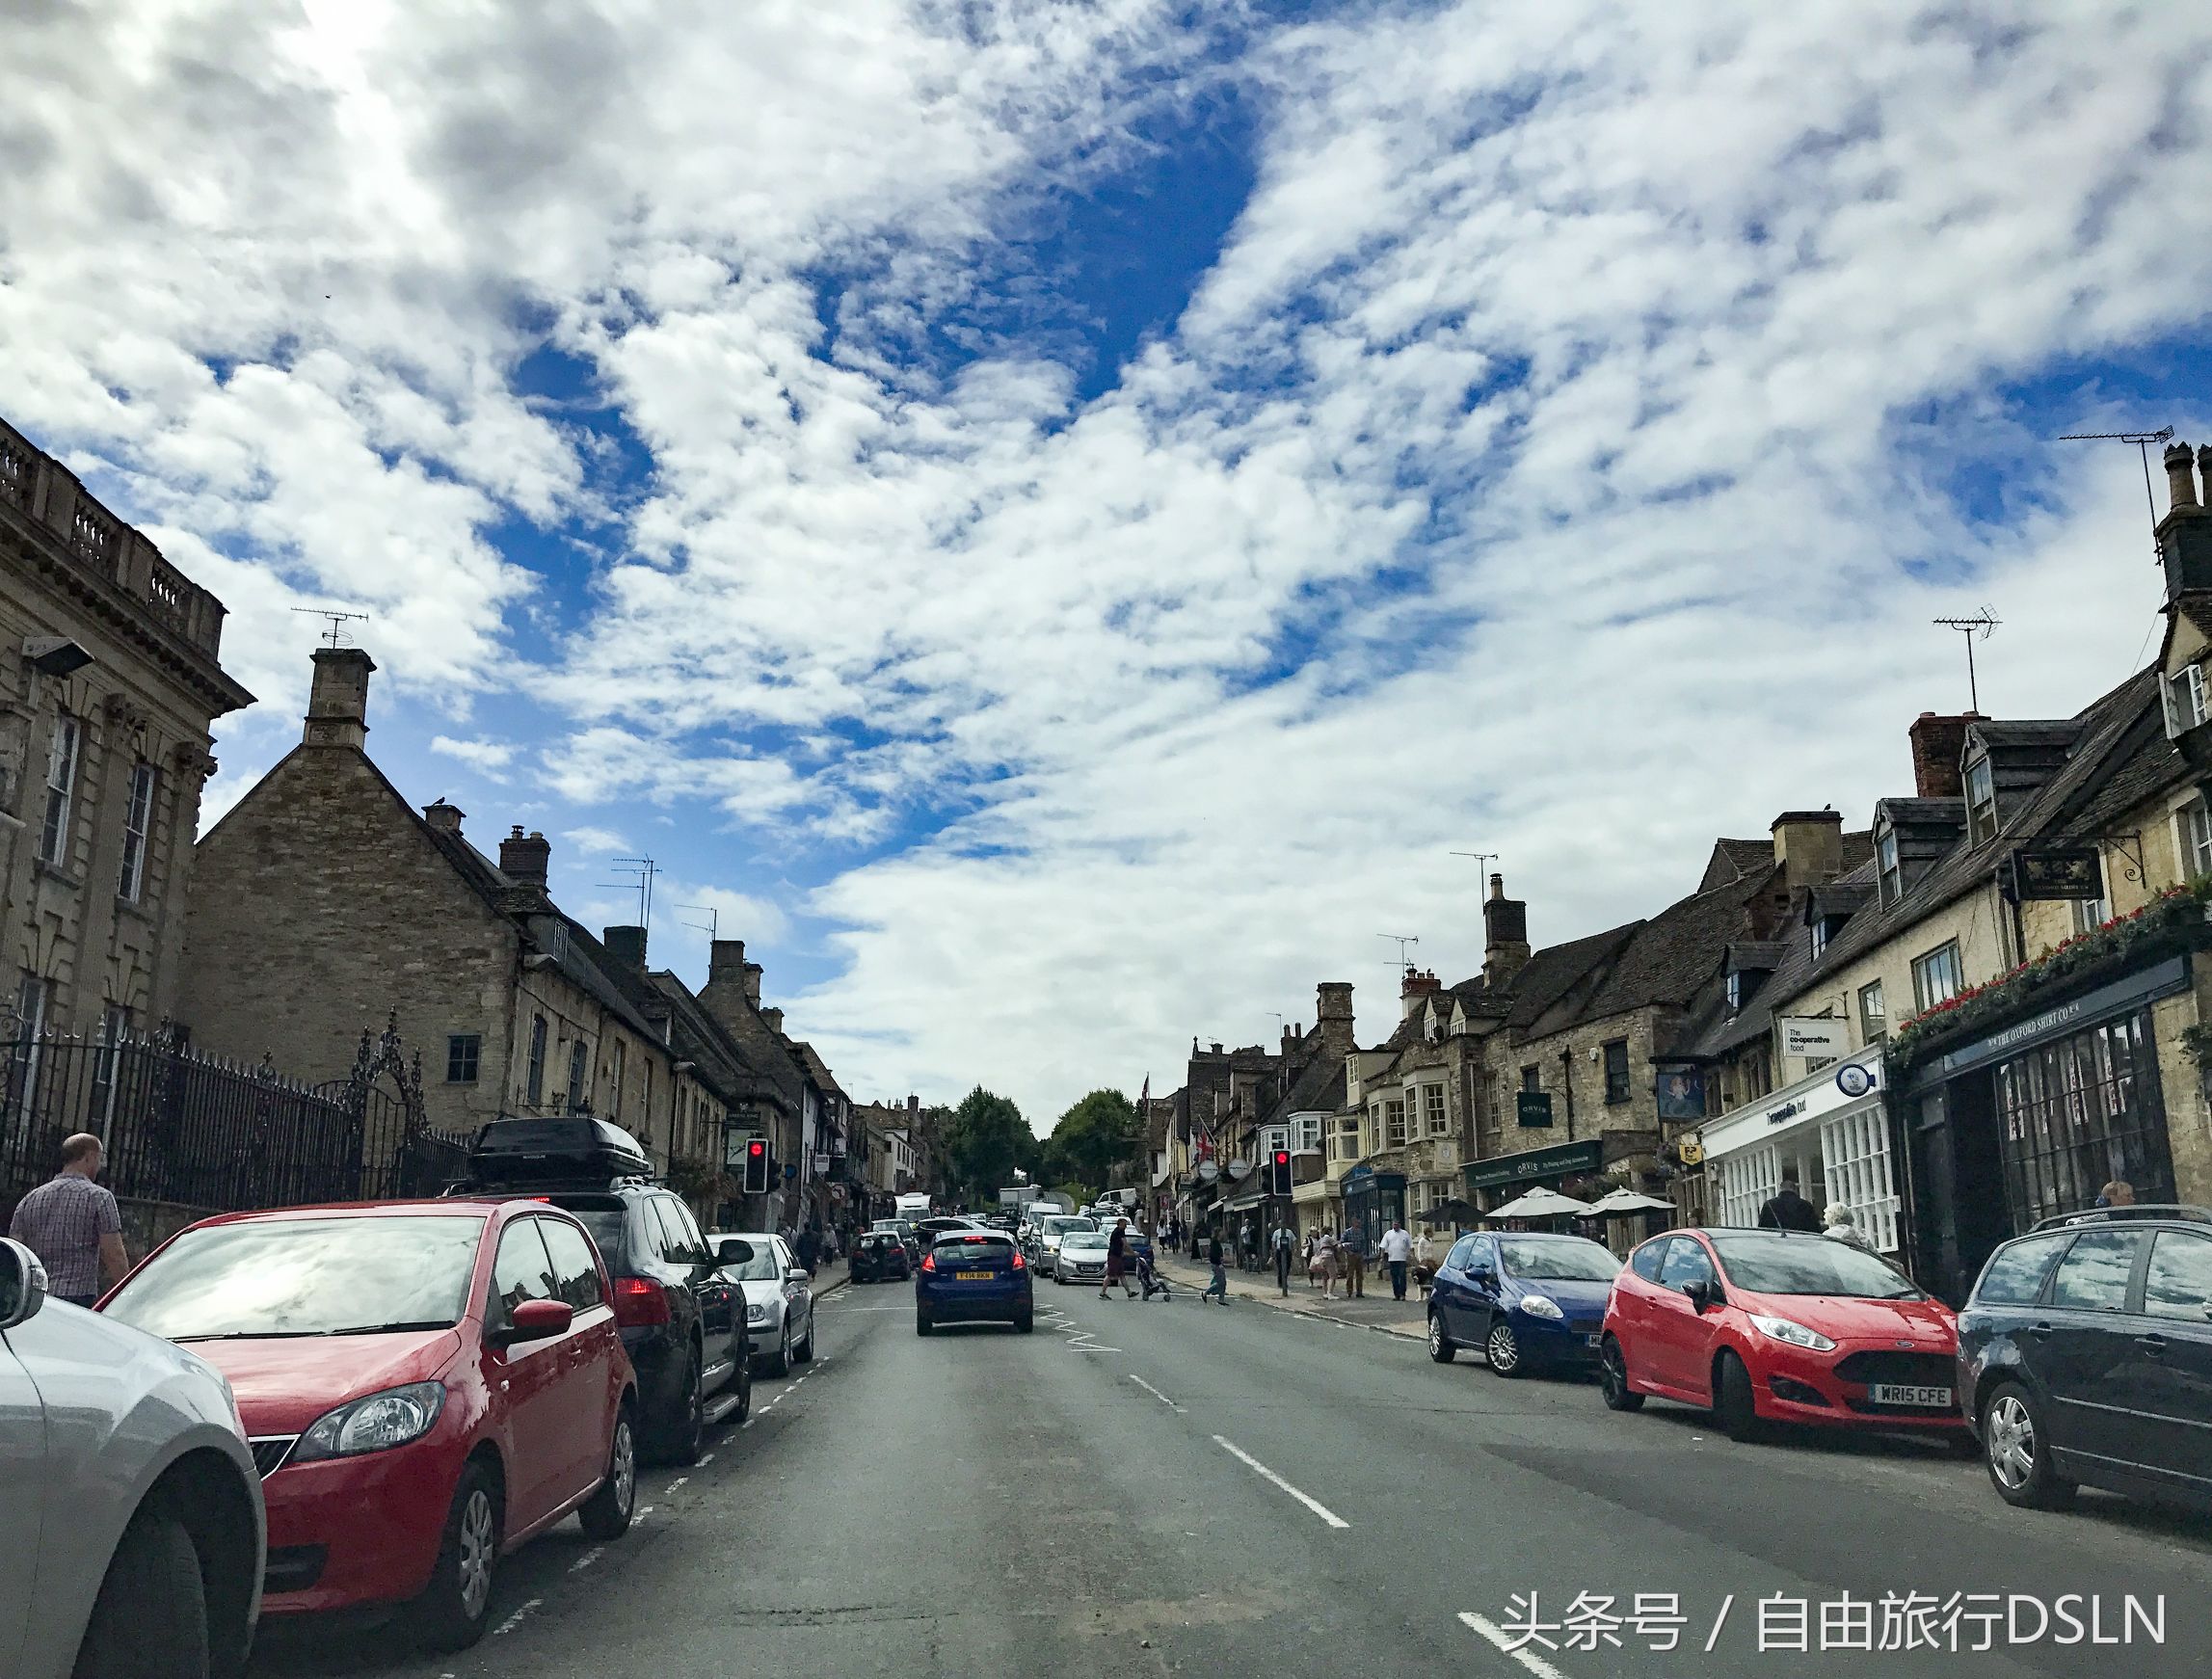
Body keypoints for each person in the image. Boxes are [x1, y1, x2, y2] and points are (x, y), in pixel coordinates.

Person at [8, 1133, 128, 1309]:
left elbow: (16, 1249)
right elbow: (114, 1254)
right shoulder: (99, 1197)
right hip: (78, 1296)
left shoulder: (31, 1198)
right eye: (99, 1159)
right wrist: (127, 1291)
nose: (99, 1165)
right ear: (89, 1157)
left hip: (37, 1297)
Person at [1757, 1167, 1823, 1233]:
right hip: (1802, 1240)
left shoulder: (1769, 1205)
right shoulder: (1806, 1205)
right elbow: (1815, 1229)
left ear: (1781, 1189)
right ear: (1795, 1190)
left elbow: (1762, 1229)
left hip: (1776, 1241)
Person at [1378, 1218, 1414, 1300]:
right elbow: (1383, 1246)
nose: (1395, 1226)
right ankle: (1396, 1294)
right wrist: (1381, 1257)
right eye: (1394, 1225)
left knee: (1402, 1276)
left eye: (1397, 1225)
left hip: (1402, 1258)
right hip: (1392, 1259)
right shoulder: (1388, 1234)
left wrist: (1412, 1256)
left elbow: (1410, 1245)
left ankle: (1402, 1294)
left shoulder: (1405, 1233)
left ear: (1399, 1225)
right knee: (1394, 1277)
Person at [1102, 1218, 1136, 1298]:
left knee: (1121, 1275)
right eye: (1125, 1224)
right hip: (1114, 1256)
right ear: (1120, 1224)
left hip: (1118, 1256)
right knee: (1110, 1275)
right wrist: (1133, 1253)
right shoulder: (1118, 1232)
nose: (1126, 1226)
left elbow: (1123, 1245)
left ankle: (1129, 1292)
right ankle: (1102, 1293)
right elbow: (1125, 1244)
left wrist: (1127, 1252)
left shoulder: (1120, 1231)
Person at [1340, 1221, 1368, 1297]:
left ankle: (1359, 1292)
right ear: (1353, 1223)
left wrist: (1362, 1252)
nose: (1358, 1224)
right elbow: (1342, 1243)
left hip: (1359, 1253)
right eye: (1357, 1223)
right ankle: (1349, 1291)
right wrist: (1348, 1251)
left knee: (1360, 1274)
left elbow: (1363, 1242)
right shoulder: (1347, 1232)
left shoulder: (1361, 1232)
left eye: (1359, 1223)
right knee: (1350, 1274)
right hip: (1351, 1254)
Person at [1270, 1216, 1297, 1295]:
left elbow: (1294, 1240)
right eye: (1280, 1224)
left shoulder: (1289, 1232)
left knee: (1287, 1266)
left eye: (1283, 1224)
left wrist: (1294, 1249)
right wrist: (1274, 1250)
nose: (1282, 1225)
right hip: (1279, 1251)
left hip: (1287, 1251)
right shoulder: (1276, 1232)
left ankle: (1285, 1281)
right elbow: (1273, 1242)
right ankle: (1280, 1282)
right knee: (1280, 1267)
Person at [1202, 1231, 1229, 1305]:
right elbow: (1213, 1255)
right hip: (1216, 1264)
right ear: (1218, 1233)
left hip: (1218, 1263)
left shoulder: (1217, 1242)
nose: (1223, 1234)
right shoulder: (1214, 1243)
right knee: (1221, 1282)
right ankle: (1206, 1292)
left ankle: (1221, 1299)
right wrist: (1219, 1263)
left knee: (1222, 1282)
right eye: (1221, 1232)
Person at [1412, 1226, 1438, 1298]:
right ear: (1427, 1233)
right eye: (1430, 1232)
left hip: (1431, 1261)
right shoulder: (1422, 1240)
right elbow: (1420, 1252)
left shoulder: (1430, 1240)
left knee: (1430, 1277)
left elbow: (1432, 1251)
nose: (1432, 1234)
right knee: (1422, 1278)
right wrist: (1421, 1261)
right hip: (1425, 1261)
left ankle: (1428, 1295)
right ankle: (1420, 1296)